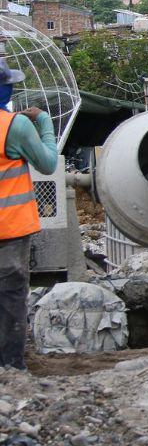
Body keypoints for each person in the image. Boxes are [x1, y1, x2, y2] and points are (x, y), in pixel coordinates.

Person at [0, 62, 59, 370]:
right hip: (9, 231)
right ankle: (10, 367)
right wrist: (45, 124)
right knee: (10, 299)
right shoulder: (14, 126)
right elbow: (48, 164)